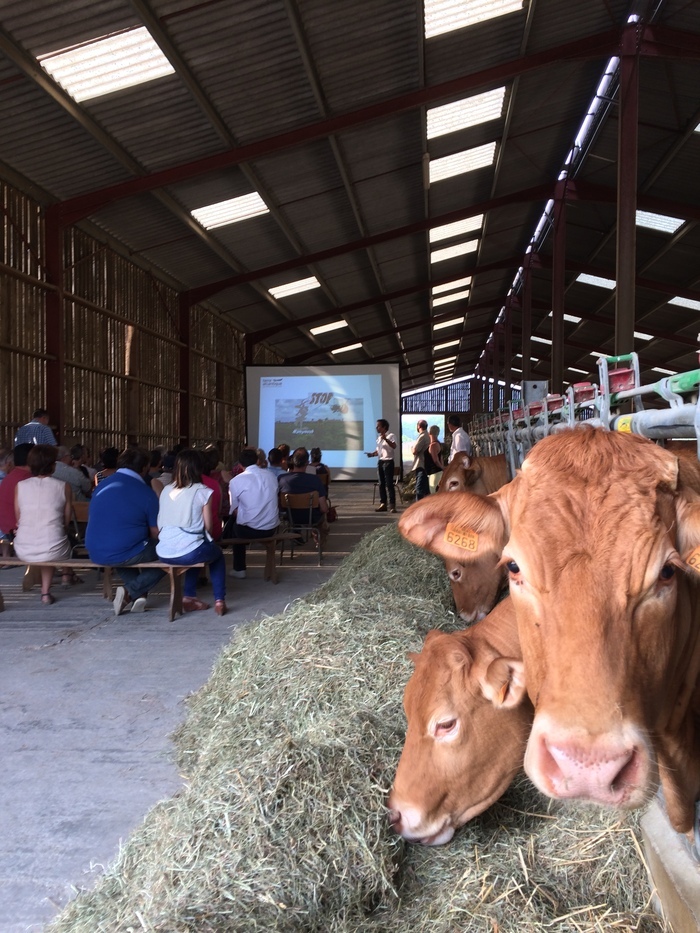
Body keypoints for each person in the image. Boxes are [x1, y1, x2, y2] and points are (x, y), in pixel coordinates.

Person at [86, 446, 166, 615]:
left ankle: (139, 596)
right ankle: (131, 592)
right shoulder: (146, 493)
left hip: (95, 550)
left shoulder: (101, 486)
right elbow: (155, 533)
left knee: (123, 549)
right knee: (171, 556)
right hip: (123, 550)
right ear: (144, 468)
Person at [156, 449, 227, 616]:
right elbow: (208, 527)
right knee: (214, 554)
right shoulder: (203, 491)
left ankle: (189, 597)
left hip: (163, 551)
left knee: (196, 548)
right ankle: (219, 600)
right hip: (190, 550)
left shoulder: (166, 490)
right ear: (199, 468)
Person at [13, 444, 76, 605]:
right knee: (51, 545)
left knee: (43, 544)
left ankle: (45, 591)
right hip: (53, 546)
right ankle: (46, 593)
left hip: (22, 547)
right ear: (52, 465)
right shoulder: (64, 486)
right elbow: (66, 519)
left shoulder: (20, 486)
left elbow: (19, 517)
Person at [224, 447, 280, 578]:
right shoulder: (271, 476)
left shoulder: (236, 481)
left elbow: (234, 510)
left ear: (240, 464)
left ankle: (239, 568)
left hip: (248, 530)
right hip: (271, 527)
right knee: (237, 521)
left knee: (234, 525)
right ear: (257, 461)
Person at [278, 448, 329, 531]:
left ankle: (295, 534)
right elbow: (324, 508)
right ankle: (319, 541)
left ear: (292, 461)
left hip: (289, 517)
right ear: (307, 463)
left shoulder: (281, 479)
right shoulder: (315, 480)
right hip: (312, 517)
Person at [0, 443, 33, 566]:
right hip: (19, 529)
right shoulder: (29, 479)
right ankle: (66, 574)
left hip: (6, 527)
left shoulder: (8, 478)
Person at [365, 419, 397, 512]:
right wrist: (372, 454)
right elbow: (379, 451)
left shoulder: (391, 435)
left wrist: (386, 439)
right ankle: (383, 504)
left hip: (388, 462)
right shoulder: (379, 438)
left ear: (384, 427)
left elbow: (394, 446)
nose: (376, 428)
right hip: (380, 462)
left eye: (378, 426)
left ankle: (392, 505)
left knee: (389, 484)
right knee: (381, 484)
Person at [411, 420, 431, 501]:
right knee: (426, 490)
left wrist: (412, 448)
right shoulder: (427, 435)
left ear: (418, 426)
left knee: (419, 489)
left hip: (421, 465)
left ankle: (418, 509)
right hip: (425, 465)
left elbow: (415, 451)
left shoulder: (423, 436)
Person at [426, 425, 444, 493]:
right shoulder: (438, 444)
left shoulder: (433, 445)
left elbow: (436, 460)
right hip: (438, 473)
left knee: (433, 493)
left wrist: (442, 467)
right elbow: (441, 458)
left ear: (429, 432)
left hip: (434, 473)